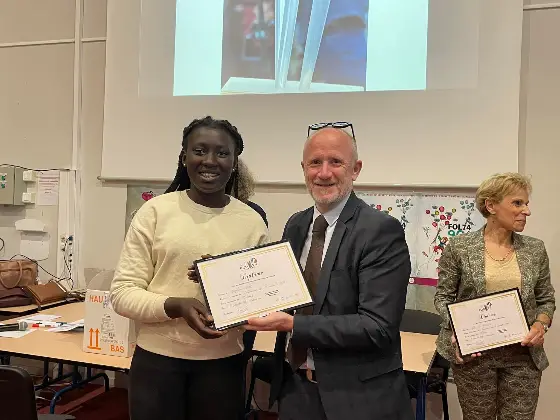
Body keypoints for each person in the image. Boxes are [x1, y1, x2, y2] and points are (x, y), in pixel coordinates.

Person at [244, 122, 414, 420]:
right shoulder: (296, 225)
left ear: (356, 169)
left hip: (359, 400)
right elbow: (283, 292)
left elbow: (378, 327)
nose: (324, 173)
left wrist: (292, 325)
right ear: (303, 168)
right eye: (315, 163)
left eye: (336, 162)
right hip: (297, 391)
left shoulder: (379, 230)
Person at [110, 116, 269, 420]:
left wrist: (224, 283)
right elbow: (122, 294)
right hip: (157, 363)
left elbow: (261, 299)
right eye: (199, 151)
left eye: (222, 153)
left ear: (234, 162)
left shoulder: (251, 222)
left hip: (224, 365)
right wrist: (175, 305)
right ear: (184, 158)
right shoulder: (154, 212)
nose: (210, 161)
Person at [434, 172, 556, 420]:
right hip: (475, 357)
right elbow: (443, 297)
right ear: (491, 205)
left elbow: (546, 299)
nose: (527, 211)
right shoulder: (459, 247)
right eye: (517, 203)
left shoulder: (535, 249)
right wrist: (458, 331)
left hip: (522, 357)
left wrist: (541, 324)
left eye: (526, 203)